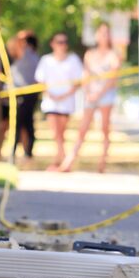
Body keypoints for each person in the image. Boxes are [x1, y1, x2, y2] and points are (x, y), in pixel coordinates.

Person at [59, 23, 121, 173]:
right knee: (83, 128)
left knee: (104, 128)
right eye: (101, 33)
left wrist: (99, 94)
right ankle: (69, 161)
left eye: (106, 33)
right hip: (91, 95)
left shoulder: (113, 55)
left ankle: (103, 161)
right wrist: (88, 92)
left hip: (106, 95)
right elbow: (85, 75)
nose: (103, 36)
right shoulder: (90, 54)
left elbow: (112, 78)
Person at [34, 32, 83, 170]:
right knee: (55, 132)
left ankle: (59, 159)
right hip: (51, 100)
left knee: (61, 132)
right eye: (59, 42)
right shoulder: (46, 60)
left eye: (64, 42)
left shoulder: (73, 60)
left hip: (67, 101)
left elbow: (79, 80)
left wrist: (66, 94)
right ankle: (61, 159)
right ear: (53, 44)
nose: (62, 45)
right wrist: (50, 94)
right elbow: (40, 80)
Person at [10, 30, 41, 163]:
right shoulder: (33, 56)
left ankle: (19, 152)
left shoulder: (26, 54)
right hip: (22, 92)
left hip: (26, 93)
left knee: (21, 123)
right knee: (26, 123)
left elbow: (12, 45)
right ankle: (24, 152)